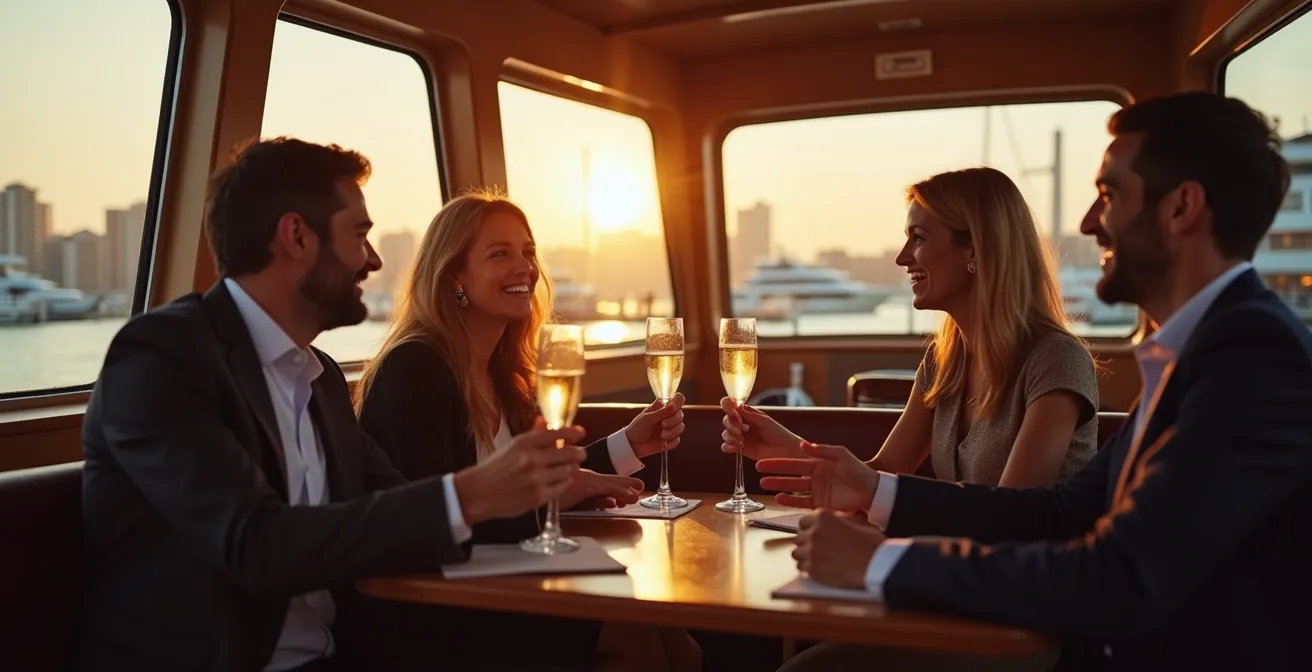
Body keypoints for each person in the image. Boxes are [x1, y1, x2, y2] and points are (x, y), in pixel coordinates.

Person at [763, 92, 1309, 671]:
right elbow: (1056, 513)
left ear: (1181, 209)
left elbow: (1122, 579)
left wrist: (879, 564)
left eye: (1109, 194)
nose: (1088, 223)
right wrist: (875, 491)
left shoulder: (1251, 355)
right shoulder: (1197, 350)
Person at [78, 138, 590, 672]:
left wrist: (513, 496)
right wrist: (467, 495)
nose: (373, 260)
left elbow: (400, 506)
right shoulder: (162, 358)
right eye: (359, 234)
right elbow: (255, 545)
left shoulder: (318, 377)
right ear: (296, 236)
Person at [351, 189, 700, 672]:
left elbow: (548, 483)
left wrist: (628, 443)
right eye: (500, 254)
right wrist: (552, 499)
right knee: (632, 636)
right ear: (455, 276)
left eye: (528, 252)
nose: (525, 267)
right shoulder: (414, 369)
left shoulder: (503, 372)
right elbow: (426, 522)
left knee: (676, 637)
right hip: (436, 611)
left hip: (500, 585)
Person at [723, 167, 1100, 490]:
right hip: (960, 566)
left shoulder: (1057, 360)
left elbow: (1010, 514)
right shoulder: (945, 361)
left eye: (918, 238)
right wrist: (784, 446)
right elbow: (882, 473)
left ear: (974, 250)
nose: (903, 258)